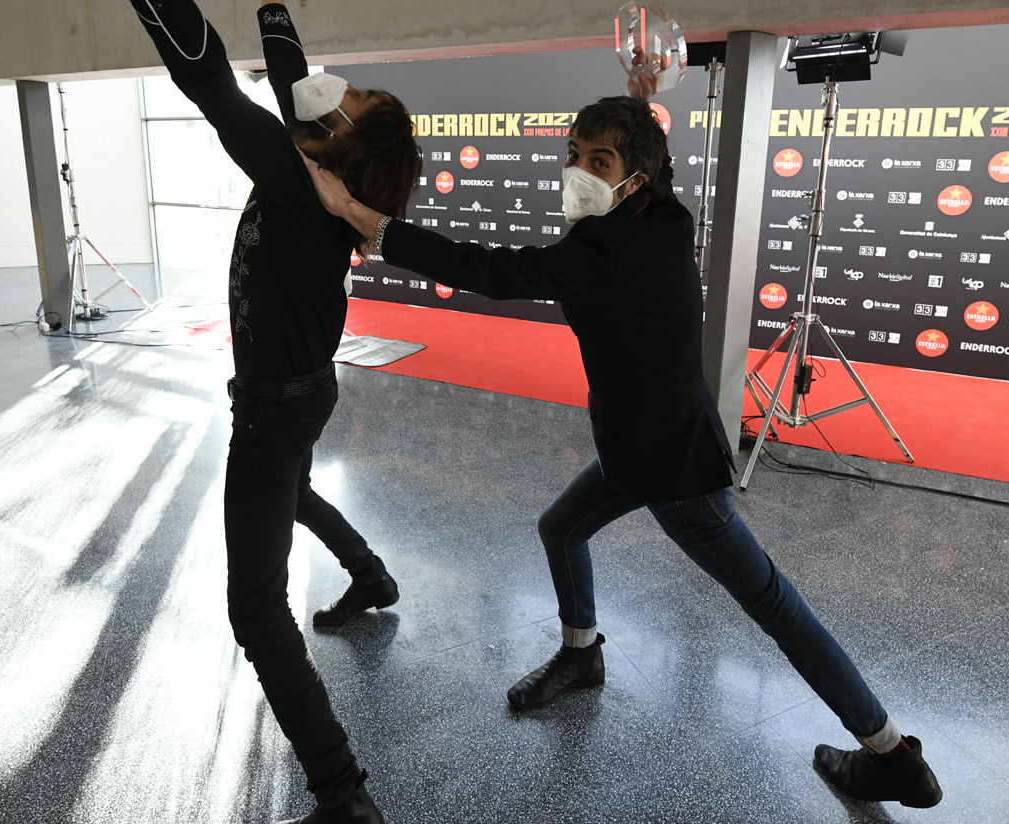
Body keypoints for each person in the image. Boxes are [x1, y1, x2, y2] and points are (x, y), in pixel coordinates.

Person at [304, 93, 944, 810]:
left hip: (675, 469)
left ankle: (892, 755)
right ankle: (581, 654)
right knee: (561, 527)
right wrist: (639, 92)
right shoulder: (665, 217)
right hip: (640, 447)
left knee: (775, 606)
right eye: (574, 154)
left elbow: (490, 271)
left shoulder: (600, 251)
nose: (579, 170)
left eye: (599, 162)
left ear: (633, 178)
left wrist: (358, 214)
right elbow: (636, 172)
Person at [40, 0, 420, 821]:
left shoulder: (300, 185)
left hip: (277, 402)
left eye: (350, 99)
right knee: (289, 493)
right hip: (303, 390)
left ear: (343, 145)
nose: (330, 90)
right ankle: (371, 576)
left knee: (254, 605)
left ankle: (343, 794)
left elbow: (199, 65)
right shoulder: (315, 165)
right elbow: (292, 76)